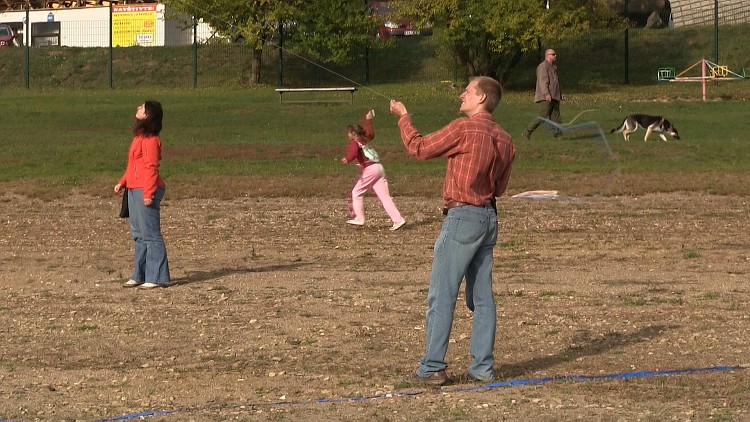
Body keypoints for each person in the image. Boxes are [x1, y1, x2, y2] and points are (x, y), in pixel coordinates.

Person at [389, 76, 515, 385]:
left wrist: (404, 117)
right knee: (482, 298)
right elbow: (499, 186)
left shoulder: (464, 128)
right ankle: (482, 368)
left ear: (482, 98)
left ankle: (433, 366)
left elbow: (418, 148)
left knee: (442, 295)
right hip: (488, 219)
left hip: (462, 217)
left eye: (468, 91)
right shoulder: (506, 139)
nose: (462, 94)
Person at [114, 100, 171, 289]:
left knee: (151, 234)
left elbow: (151, 168)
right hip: (133, 188)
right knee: (138, 234)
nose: (137, 108)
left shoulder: (151, 141)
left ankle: (157, 277)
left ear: (149, 116)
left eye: (142, 108)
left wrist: (148, 193)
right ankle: (140, 274)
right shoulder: (138, 137)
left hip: (146, 189)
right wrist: (123, 182)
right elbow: (133, 165)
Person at [341, 109, 406, 231]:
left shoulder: (356, 142)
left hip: (371, 169)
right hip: (379, 168)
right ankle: (398, 219)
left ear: (353, 134)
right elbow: (371, 132)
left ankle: (359, 218)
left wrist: (347, 159)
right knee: (384, 197)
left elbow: (353, 152)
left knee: (356, 192)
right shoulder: (365, 139)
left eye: (349, 133)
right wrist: (368, 119)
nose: (347, 135)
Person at [522, 48, 563, 140]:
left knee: (555, 117)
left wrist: (560, 94)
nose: (555, 56)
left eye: (555, 54)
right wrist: (546, 94)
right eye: (553, 54)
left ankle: (558, 135)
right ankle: (527, 132)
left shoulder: (554, 67)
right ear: (547, 56)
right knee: (542, 116)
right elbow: (543, 81)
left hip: (555, 97)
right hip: (546, 97)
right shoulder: (542, 66)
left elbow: (556, 82)